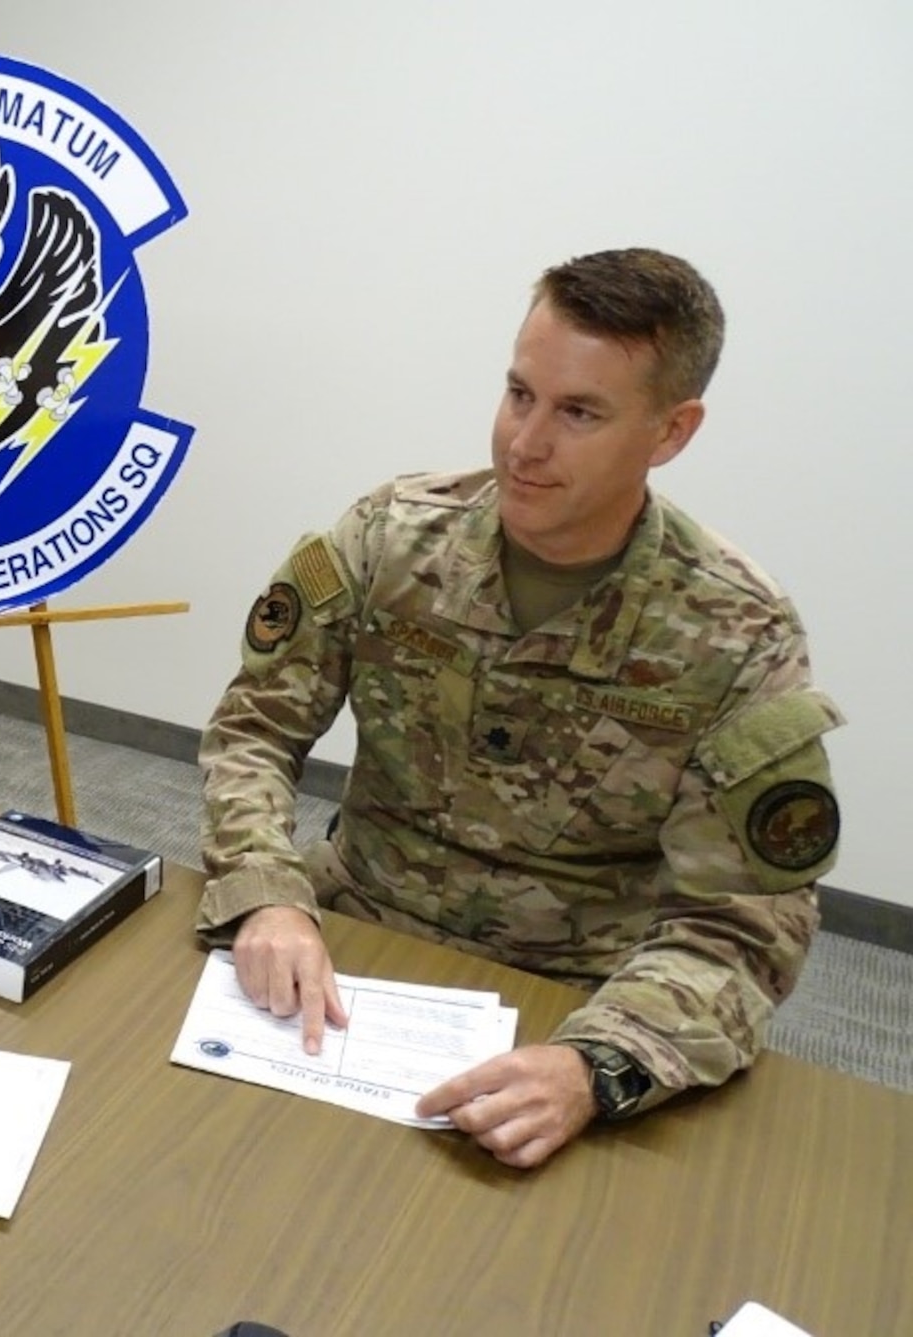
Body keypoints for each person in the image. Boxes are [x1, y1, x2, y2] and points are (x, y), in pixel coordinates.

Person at [198, 248, 841, 1169]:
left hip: (575, 993)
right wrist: (265, 894)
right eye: (518, 393)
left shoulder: (736, 631)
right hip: (350, 931)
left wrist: (596, 1064)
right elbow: (255, 731)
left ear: (672, 431)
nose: (523, 443)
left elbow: (744, 922)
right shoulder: (392, 535)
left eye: (579, 412)